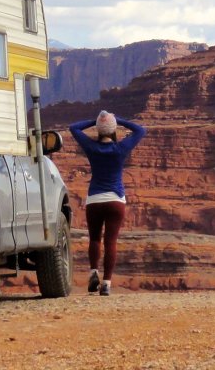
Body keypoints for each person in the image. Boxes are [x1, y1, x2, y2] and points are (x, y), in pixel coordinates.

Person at [68, 110, 147, 296]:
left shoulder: (91, 147)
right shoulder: (121, 149)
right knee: (110, 241)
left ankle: (93, 272)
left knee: (95, 239)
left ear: (99, 129)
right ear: (113, 129)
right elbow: (140, 130)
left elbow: (73, 128)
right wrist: (116, 120)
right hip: (115, 199)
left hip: (95, 199)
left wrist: (96, 122)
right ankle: (106, 284)